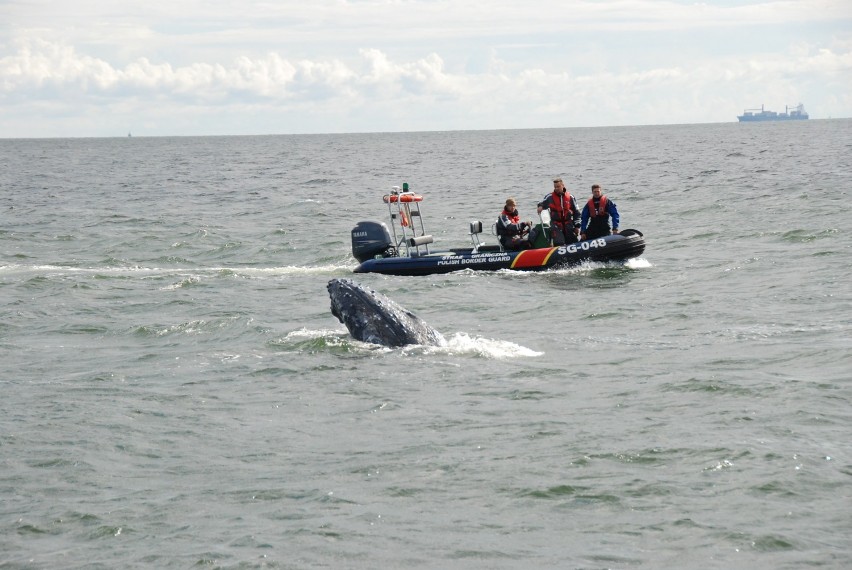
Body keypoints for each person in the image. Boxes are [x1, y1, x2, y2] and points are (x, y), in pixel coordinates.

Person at [537, 178, 580, 245]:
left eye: (558, 187)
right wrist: (540, 206)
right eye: (555, 187)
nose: (556, 188)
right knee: (559, 242)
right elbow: (542, 203)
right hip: (556, 225)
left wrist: (577, 226)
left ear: (563, 185)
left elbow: (577, 212)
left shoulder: (570, 197)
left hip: (568, 224)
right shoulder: (549, 197)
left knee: (573, 242)